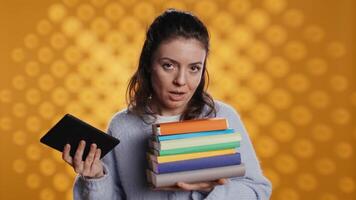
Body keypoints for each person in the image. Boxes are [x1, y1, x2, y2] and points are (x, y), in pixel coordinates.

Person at [62, 8, 272, 200]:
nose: (181, 81)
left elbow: (258, 191)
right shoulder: (122, 126)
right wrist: (96, 178)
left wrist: (209, 189)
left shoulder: (223, 117)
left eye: (194, 68)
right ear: (148, 65)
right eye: (169, 66)